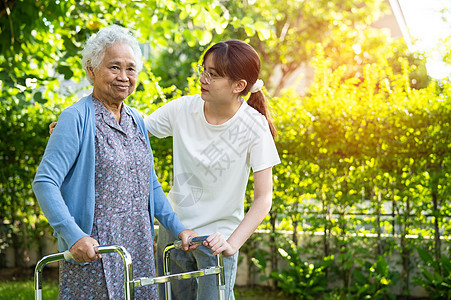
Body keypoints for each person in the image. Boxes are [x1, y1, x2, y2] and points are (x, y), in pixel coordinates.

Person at [33, 25, 197, 299]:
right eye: (114, 67)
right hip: (94, 251)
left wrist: (179, 229)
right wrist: (74, 236)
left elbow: (151, 186)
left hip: (139, 247)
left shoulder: (137, 121)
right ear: (91, 69)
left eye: (131, 69)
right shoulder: (75, 119)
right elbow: (45, 182)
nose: (124, 76)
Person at [145, 40, 280, 300]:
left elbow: (264, 198)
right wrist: (82, 125)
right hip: (173, 234)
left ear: (239, 86)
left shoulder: (254, 126)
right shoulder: (183, 108)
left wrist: (232, 243)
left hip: (216, 242)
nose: (203, 79)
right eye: (204, 70)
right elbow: (132, 127)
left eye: (214, 75)